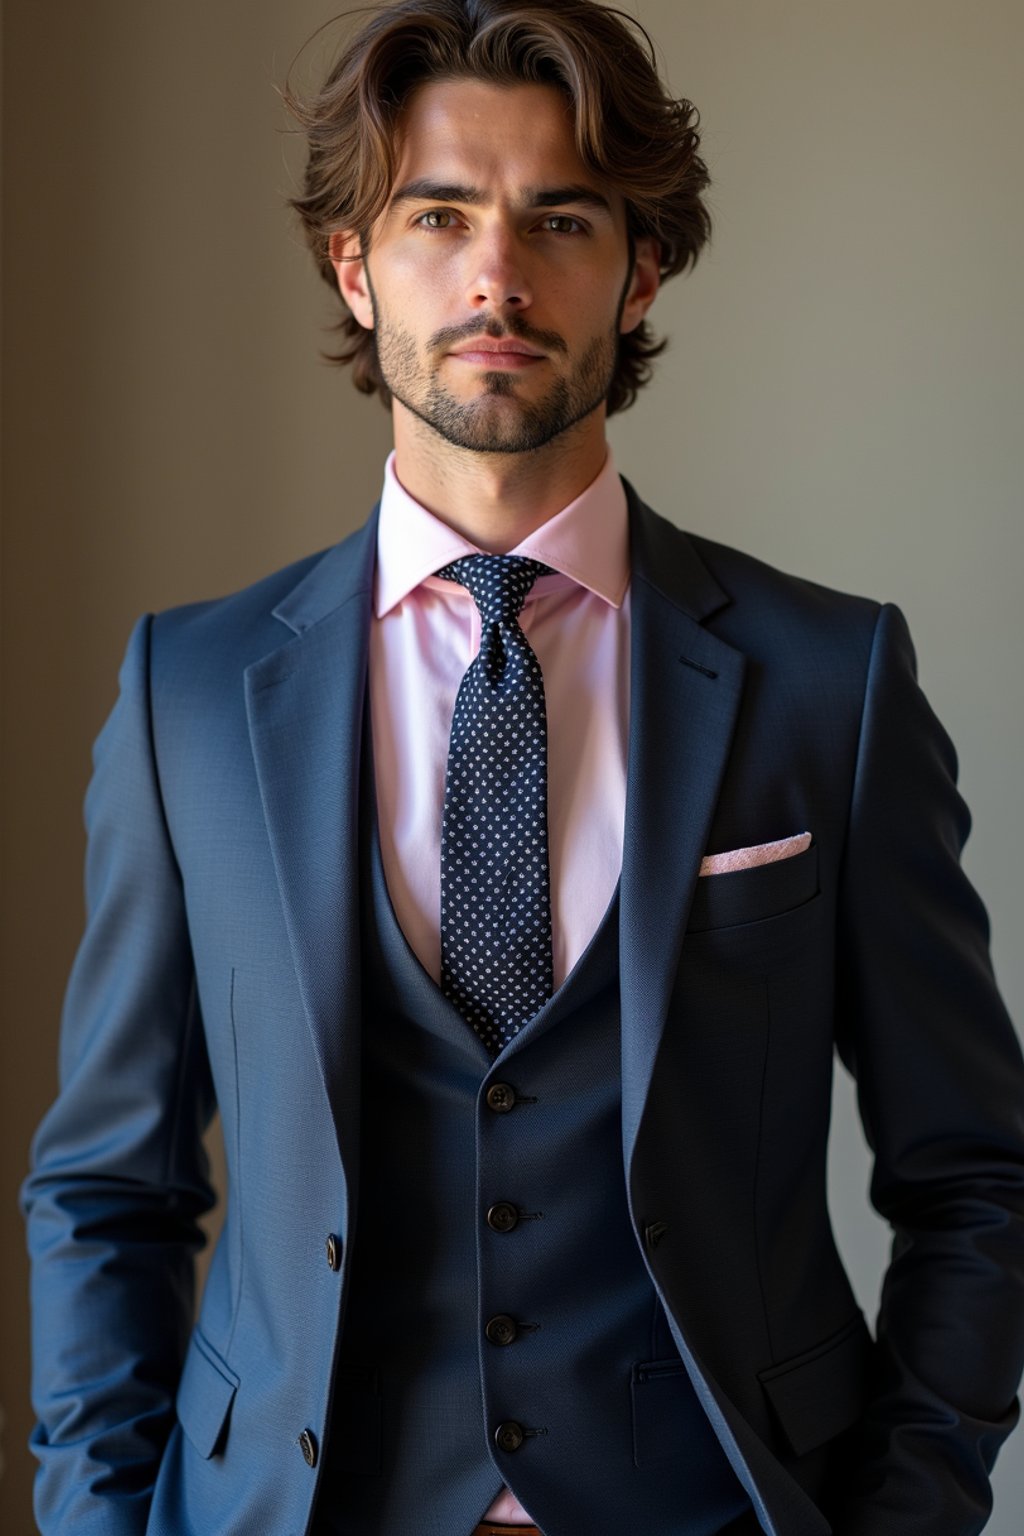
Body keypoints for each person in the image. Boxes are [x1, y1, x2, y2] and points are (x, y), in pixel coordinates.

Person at [22, 1, 1024, 1533]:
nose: (497, 275)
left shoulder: (836, 684)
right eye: (438, 215)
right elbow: (108, 1191)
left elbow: (976, 1178)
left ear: (640, 271)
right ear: (354, 268)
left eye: (559, 218)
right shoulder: (192, 692)